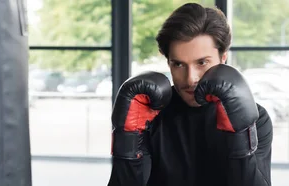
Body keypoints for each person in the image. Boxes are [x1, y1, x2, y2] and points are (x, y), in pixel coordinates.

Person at [108, 3, 273, 186]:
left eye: (202, 62)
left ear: (223, 57)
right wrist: (128, 142)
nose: (190, 78)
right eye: (178, 64)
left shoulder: (256, 120)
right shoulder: (149, 115)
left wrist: (240, 138)